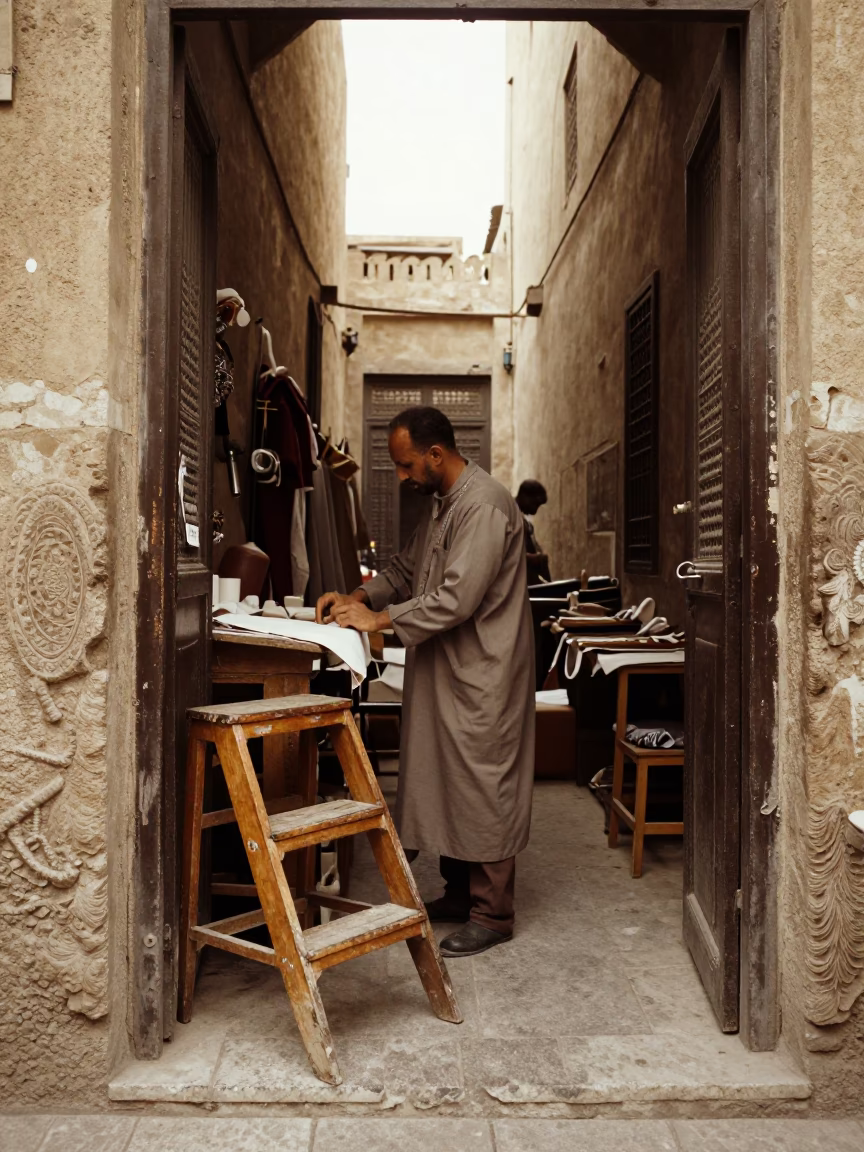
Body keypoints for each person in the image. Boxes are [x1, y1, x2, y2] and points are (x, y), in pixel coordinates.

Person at [316, 406, 535, 957]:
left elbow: (457, 597)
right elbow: (404, 570)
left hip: (484, 673)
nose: (403, 477)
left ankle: (493, 913)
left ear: (436, 455)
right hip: (445, 673)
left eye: (407, 466)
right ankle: (460, 894)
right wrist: (359, 597)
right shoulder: (442, 506)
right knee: (446, 779)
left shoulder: (483, 506)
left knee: (483, 784)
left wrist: (379, 621)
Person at [515, 479, 551, 583]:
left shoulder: (522, 518)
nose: (535, 511)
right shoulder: (510, 516)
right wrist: (535, 559)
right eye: (535, 504)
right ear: (525, 497)